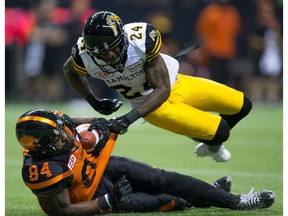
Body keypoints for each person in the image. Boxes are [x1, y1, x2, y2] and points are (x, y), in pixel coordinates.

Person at [63, 11, 253, 162]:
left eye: (113, 48)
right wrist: (93, 101)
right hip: (151, 106)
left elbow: (163, 89)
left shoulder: (140, 40)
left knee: (243, 105)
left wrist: (127, 120)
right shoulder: (84, 56)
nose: (109, 55)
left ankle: (207, 140)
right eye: (101, 53)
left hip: (174, 84)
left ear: (122, 38)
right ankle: (212, 141)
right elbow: (69, 70)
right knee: (221, 132)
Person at [16, 108, 275, 215]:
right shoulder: (42, 170)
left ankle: (235, 201)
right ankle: (204, 194)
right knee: (163, 200)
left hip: (99, 165)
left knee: (162, 179)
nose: (65, 133)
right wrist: (107, 201)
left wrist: (99, 123)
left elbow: (77, 121)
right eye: (59, 136)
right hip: (90, 195)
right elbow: (62, 211)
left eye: (62, 128)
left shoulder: (58, 126)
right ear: (43, 146)